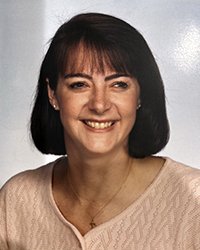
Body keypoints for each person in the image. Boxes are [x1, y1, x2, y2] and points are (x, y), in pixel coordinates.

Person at [0, 12, 200, 250]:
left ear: (140, 95)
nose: (99, 104)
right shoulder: (15, 201)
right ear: (53, 94)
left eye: (118, 84)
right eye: (79, 84)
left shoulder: (193, 202)